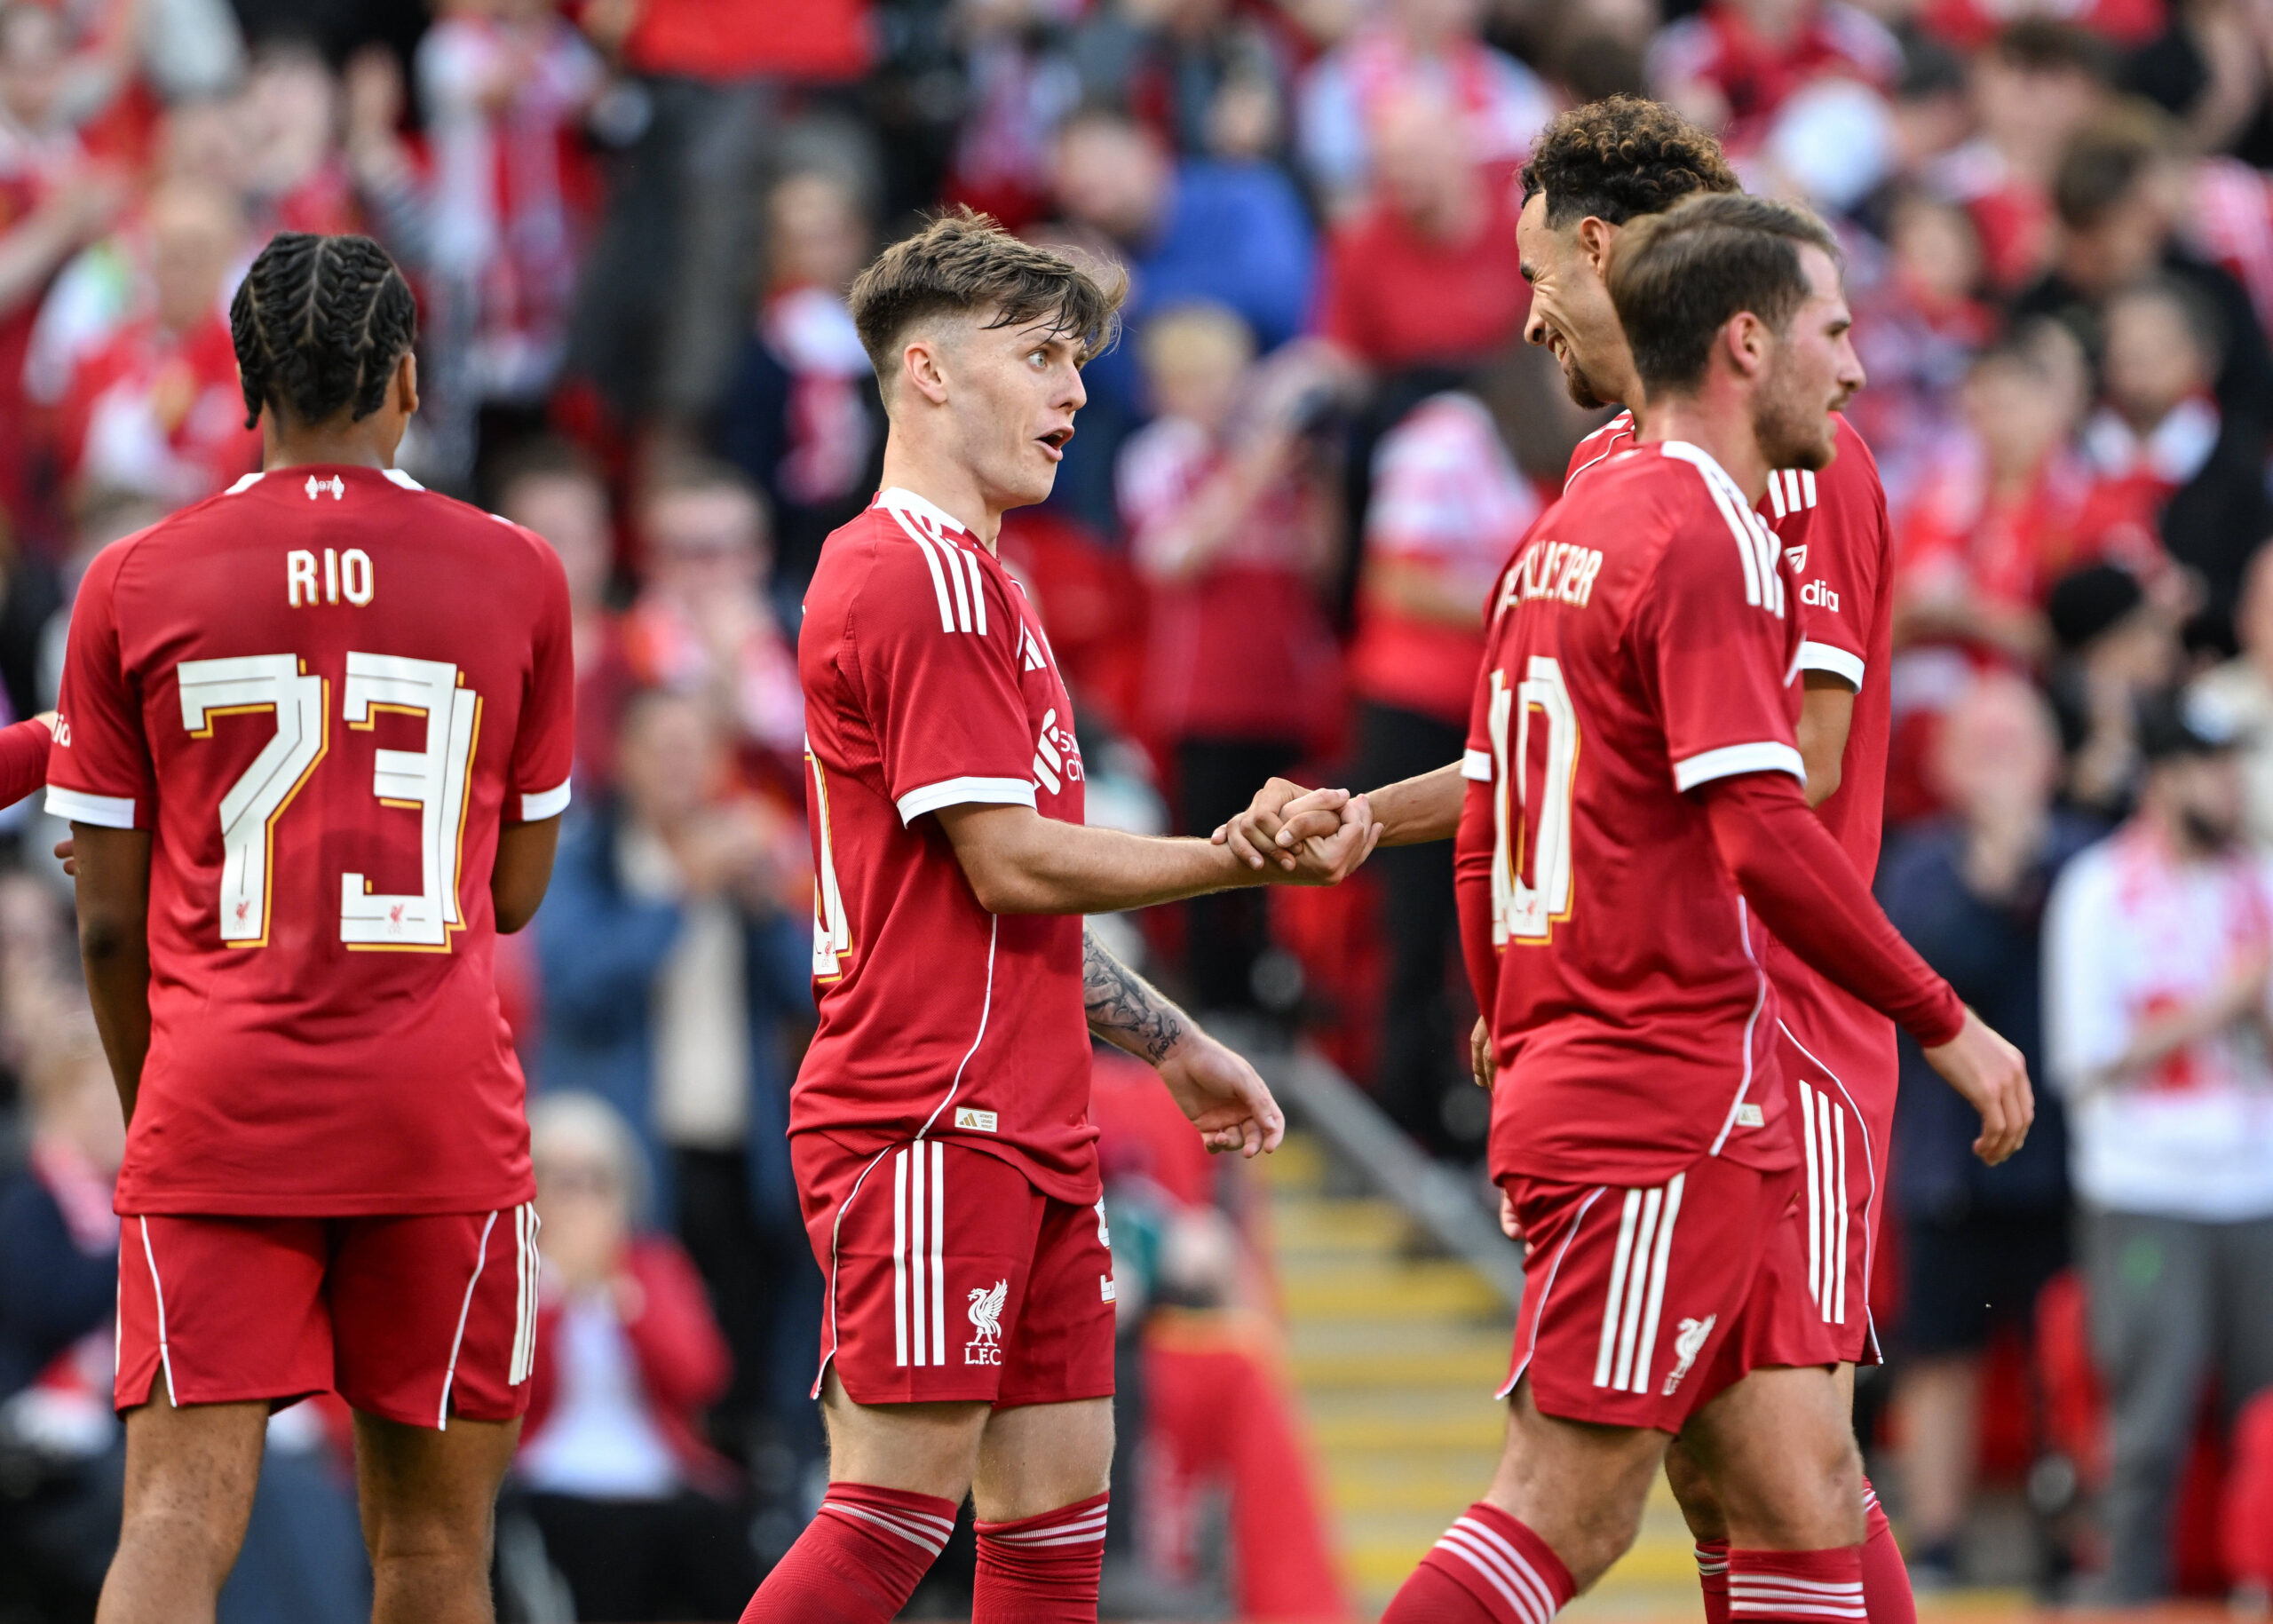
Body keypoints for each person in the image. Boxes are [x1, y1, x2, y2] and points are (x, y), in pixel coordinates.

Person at [1223, 97, 1958, 1623]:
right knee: (1758, 1479)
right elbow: (1559, 763)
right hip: (1676, 1024)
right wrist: (1381, 820)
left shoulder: (1797, 465)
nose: (1528, 306)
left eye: (1534, 266)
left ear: (1605, 246)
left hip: (1785, 1021)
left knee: (1777, 1475)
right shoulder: (1628, 482)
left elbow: (1793, 772)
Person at [1366, 188, 2030, 1624]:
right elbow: (1774, 810)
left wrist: (1500, 994)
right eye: (1836, 333)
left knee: (1794, 1490)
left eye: (1541, 268)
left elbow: (1496, 804)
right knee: (1568, 1508)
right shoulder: (1708, 527)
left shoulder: (1577, 513)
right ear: (1746, 339)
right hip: (1684, 1067)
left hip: (1632, 1056)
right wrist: (1942, 1017)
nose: (1855, 373)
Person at [741, 207, 1376, 1624]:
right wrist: (1238, 861)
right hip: (925, 1112)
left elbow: (1001, 903)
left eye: (1079, 360)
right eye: (1038, 356)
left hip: (1027, 1115)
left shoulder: (989, 579)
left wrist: (1169, 1040)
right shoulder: (909, 572)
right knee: (889, 1523)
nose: (1076, 390)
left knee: (1053, 1541)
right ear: (925, 372)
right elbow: (1012, 863)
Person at [46, 231, 576, 1624]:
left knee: (169, 1519)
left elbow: (106, 933)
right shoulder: (519, 572)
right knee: (433, 1554)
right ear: (409, 376)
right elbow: (513, 894)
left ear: (244, 388)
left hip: (218, 1100)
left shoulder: (132, 580)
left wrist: (158, 1101)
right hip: (437, 1115)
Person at [2043, 695, 2273, 1603]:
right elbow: (2083, 1058)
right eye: (2211, 766)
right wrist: (2220, 1004)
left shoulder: (2256, 882)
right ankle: (2128, 1597)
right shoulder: (2098, 890)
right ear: (2164, 778)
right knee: (2148, 1422)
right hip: (2143, 1187)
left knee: (2264, 1416)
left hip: (2256, 1183)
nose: (2229, 785)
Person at [1875, 675, 2095, 1586]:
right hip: (1948, 1158)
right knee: (1942, 1352)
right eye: (1983, 748)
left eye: (2017, 746)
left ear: (2052, 759)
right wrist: (1998, 865)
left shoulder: (2090, 855)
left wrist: (2021, 862)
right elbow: (1934, 968)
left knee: (2071, 1357)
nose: (2001, 769)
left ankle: (2070, 1541)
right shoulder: (1919, 862)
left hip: (2070, 1159)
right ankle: (1937, 1537)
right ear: (1946, 763)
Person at [1120, 302, 1340, 1014]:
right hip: (1204, 699)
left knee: (1286, 863)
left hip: (1281, 692)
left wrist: (1320, 477)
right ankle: (1214, 1009)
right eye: (1197, 379)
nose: (1216, 394)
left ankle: (1280, 1001)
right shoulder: (1164, 456)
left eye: (1225, 377)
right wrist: (1259, 465)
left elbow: (1318, 566)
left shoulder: (1271, 461)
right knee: (1216, 859)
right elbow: (1172, 557)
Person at [515, 1091, 756, 1623]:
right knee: (602, 1551)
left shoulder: (655, 1266)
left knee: (725, 1544)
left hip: (659, 1474)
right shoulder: (514, 1277)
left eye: (593, 1180)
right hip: (551, 1478)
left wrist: (621, 1297)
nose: (576, 1199)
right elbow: (512, 1396)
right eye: (558, 1179)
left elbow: (701, 1378)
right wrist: (557, 1293)